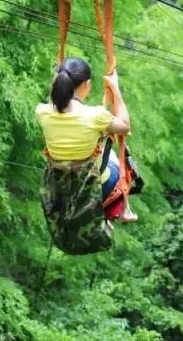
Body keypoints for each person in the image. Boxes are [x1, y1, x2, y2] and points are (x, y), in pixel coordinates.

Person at [36, 57, 137, 226]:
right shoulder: (95, 115)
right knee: (116, 158)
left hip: (60, 187)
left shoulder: (42, 112)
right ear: (86, 85)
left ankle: (111, 211)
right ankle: (123, 210)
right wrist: (115, 88)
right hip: (91, 188)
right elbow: (125, 126)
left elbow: (56, 104)